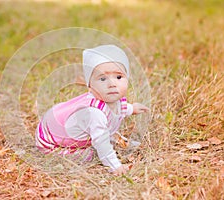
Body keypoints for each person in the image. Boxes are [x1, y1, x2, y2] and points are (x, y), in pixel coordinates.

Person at [35, 44, 149, 175]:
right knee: (91, 154)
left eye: (118, 77)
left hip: (59, 119)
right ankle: (103, 144)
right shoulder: (94, 113)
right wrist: (114, 165)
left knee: (103, 131)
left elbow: (118, 108)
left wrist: (131, 109)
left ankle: (117, 141)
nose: (112, 84)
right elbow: (101, 143)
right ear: (90, 85)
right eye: (102, 78)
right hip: (51, 142)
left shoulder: (112, 100)